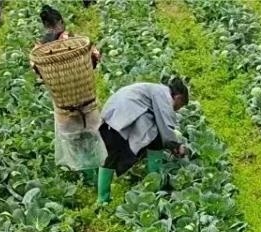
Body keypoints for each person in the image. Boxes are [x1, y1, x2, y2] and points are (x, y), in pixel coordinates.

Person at [32, 5, 103, 185]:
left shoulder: (40, 48)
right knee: (94, 137)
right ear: (61, 22)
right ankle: (100, 175)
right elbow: (95, 57)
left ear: (44, 25)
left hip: (64, 106)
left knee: (75, 143)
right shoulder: (76, 41)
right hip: (87, 99)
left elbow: (38, 72)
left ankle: (88, 179)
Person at [96, 77, 189, 204]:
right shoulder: (164, 96)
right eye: (180, 106)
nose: (177, 109)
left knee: (110, 156)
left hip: (113, 114)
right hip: (124, 117)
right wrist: (176, 146)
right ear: (178, 98)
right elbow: (165, 126)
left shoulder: (155, 89)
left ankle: (102, 199)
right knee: (156, 142)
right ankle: (155, 184)